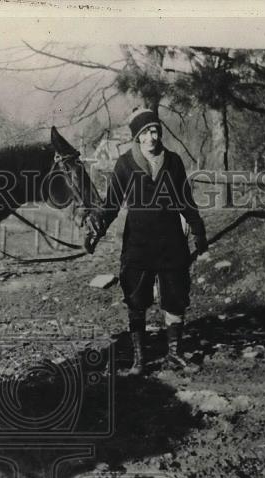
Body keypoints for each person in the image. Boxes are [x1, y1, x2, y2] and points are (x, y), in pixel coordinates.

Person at [87, 108, 210, 374]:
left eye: (155, 130)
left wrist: (198, 230)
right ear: (137, 137)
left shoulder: (174, 161)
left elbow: (186, 201)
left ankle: (175, 354)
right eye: (146, 132)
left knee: (176, 297)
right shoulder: (124, 164)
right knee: (136, 300)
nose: (152, 137)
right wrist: (96, 230)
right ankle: (139, 359)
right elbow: (111, 205)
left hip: (171, 243)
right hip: (138, 245)